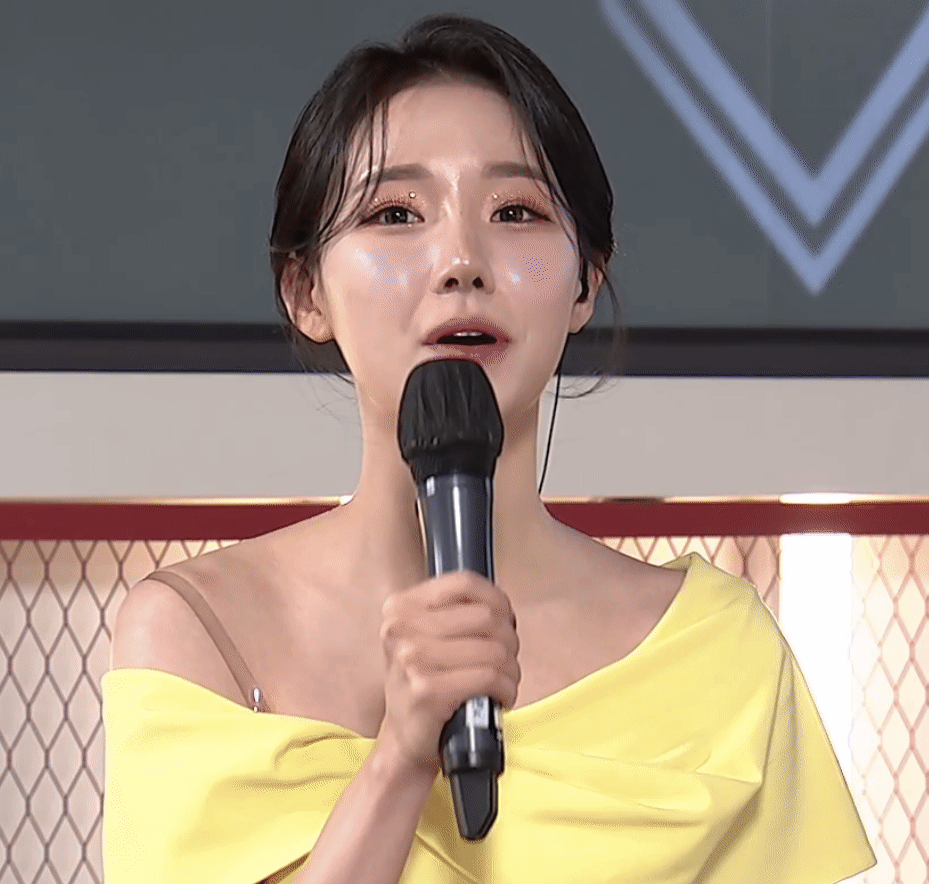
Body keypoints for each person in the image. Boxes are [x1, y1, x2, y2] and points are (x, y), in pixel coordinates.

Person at [101, 13, 877, 884]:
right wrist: (400, 759)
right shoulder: (197, 630)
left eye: (515, 211)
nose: (461, 261)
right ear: (305, 291)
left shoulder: (714, 653)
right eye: (395, 213)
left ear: (584, 283)